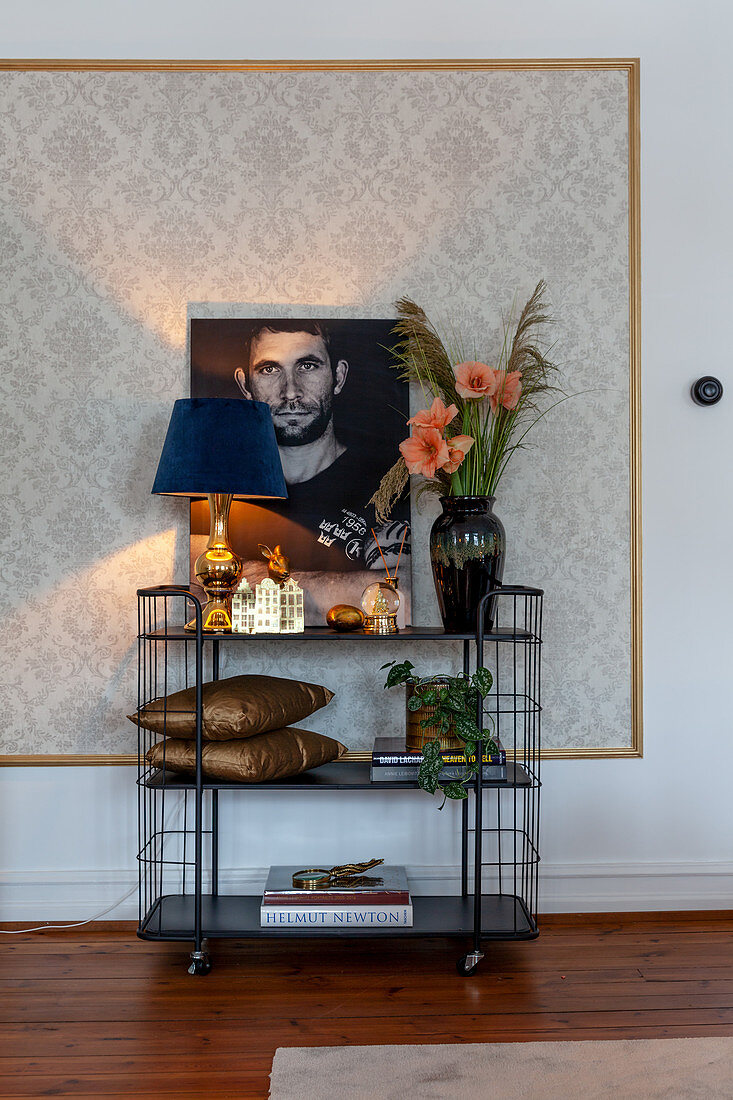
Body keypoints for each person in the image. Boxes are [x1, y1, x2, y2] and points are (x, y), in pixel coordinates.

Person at [233, 320, 408, 575]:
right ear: (245, 385)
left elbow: (395, 593)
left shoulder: (388, 486)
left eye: (307, 366)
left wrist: (253, 576)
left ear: (339, 377)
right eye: (270, 369)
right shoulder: (221, 489)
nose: (291, 392)